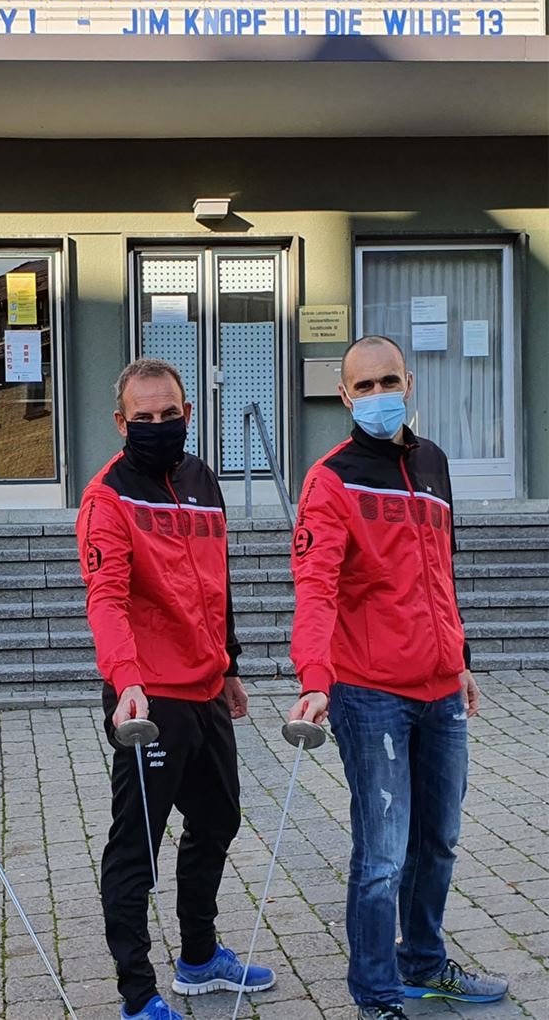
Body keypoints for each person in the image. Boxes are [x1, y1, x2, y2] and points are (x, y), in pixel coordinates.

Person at [287, 335, 509, 1020]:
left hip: (440, 689)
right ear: (346, 395)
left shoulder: (434, 463)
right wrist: (316, 678)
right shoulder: (331, 479)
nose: (381, 394)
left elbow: (441, 573)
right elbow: (316, 587)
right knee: (382, 853)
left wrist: (460, 659)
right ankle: (376, 995)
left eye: (391, 380)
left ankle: (421, 966)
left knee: (437, 839)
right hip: (368, 692)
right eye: (366, 385)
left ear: (409, 381)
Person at [77, 358, 275, 1020]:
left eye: (169, 415)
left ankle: (198, 958)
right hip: (147, 699)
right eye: (144, 418)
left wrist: (232, 665)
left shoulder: (201, 479)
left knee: (218, 818)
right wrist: (126, 682)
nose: (158, 426)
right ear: (121, 422)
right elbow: (105, 599)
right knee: (138, 843)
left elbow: (217, 581)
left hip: (205, 686)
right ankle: (138, 994)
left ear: (188, 414)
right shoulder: (107, 496)